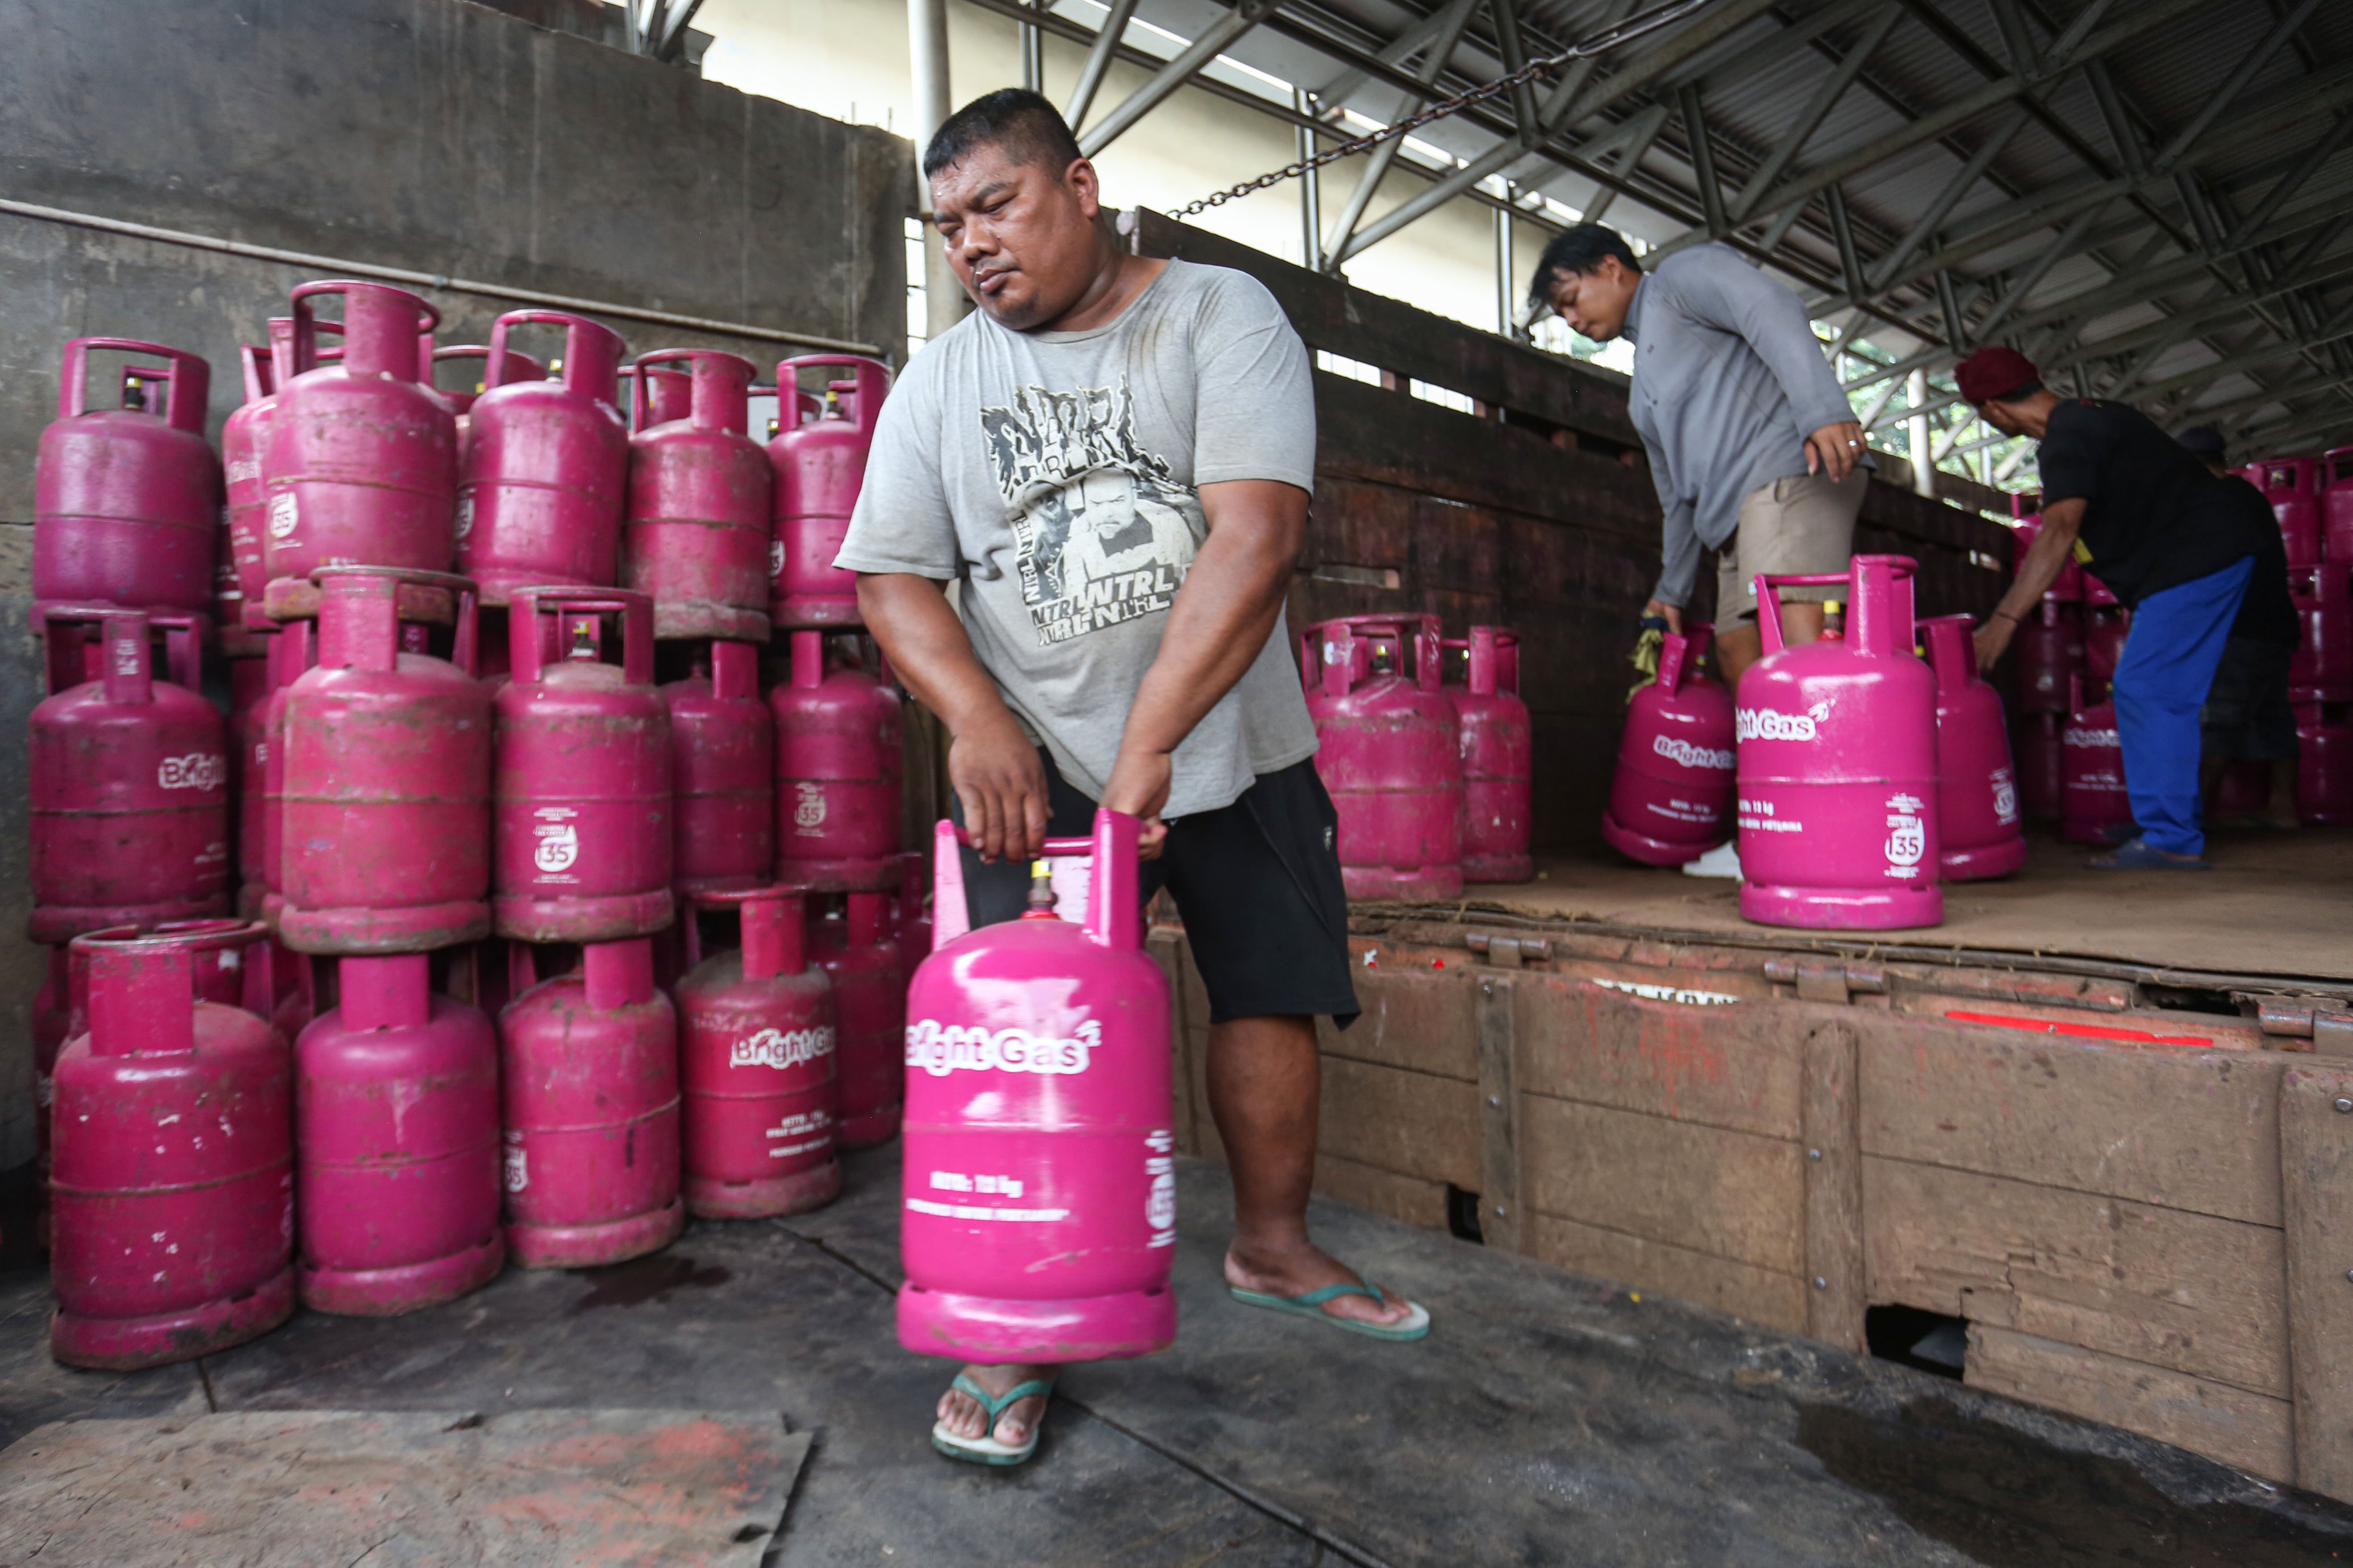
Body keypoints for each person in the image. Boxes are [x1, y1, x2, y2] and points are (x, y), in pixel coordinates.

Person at [835, 88, 1425, 1469]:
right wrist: (980, 719)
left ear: (1082, 185)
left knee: (1271, 987)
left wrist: (1154, 748)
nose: (974, 247)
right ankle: (1016, 1315)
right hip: (1028, 773)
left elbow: (1256, 535)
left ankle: (1271, 1249)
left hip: (1231, 743)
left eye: (998, 207)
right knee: (1017, 1039)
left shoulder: (1219, 319)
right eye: (949, 227)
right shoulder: (942, 381)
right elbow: (889, 574)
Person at [1527, 224, 1869, 879]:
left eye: (1572, 298)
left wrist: (1823, 407)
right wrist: (1671, 589)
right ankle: (1771, 835)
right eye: (1561, 313)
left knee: (1793, 651)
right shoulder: (1644, 389)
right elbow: (1675, 498)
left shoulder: (1683, 279)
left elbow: (1772, 307)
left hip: (1790, 471)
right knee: (1741, 656)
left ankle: (1834, 830)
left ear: (1611, 266)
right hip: (1736, 516)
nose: (1572, 320)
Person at [1962, 349, 2283, 868]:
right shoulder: (2097, 415)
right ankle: (2165, 824)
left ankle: (2169, 838)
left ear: (1993, 408)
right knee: (2159, 690)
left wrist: (2002, 623)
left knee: (2148, 689)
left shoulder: (2064, 441)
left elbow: (2059, 533)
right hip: (2203, 556)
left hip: (2198, 559)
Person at [2176, 426, 2300, 830]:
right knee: (2274, 718)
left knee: (2217, 721)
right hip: (2276, 627)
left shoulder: (2211, 501)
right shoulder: (2250, 497)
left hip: (2237, 626)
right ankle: (2283, 809)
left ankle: (2188, 821)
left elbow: (2205, 568)